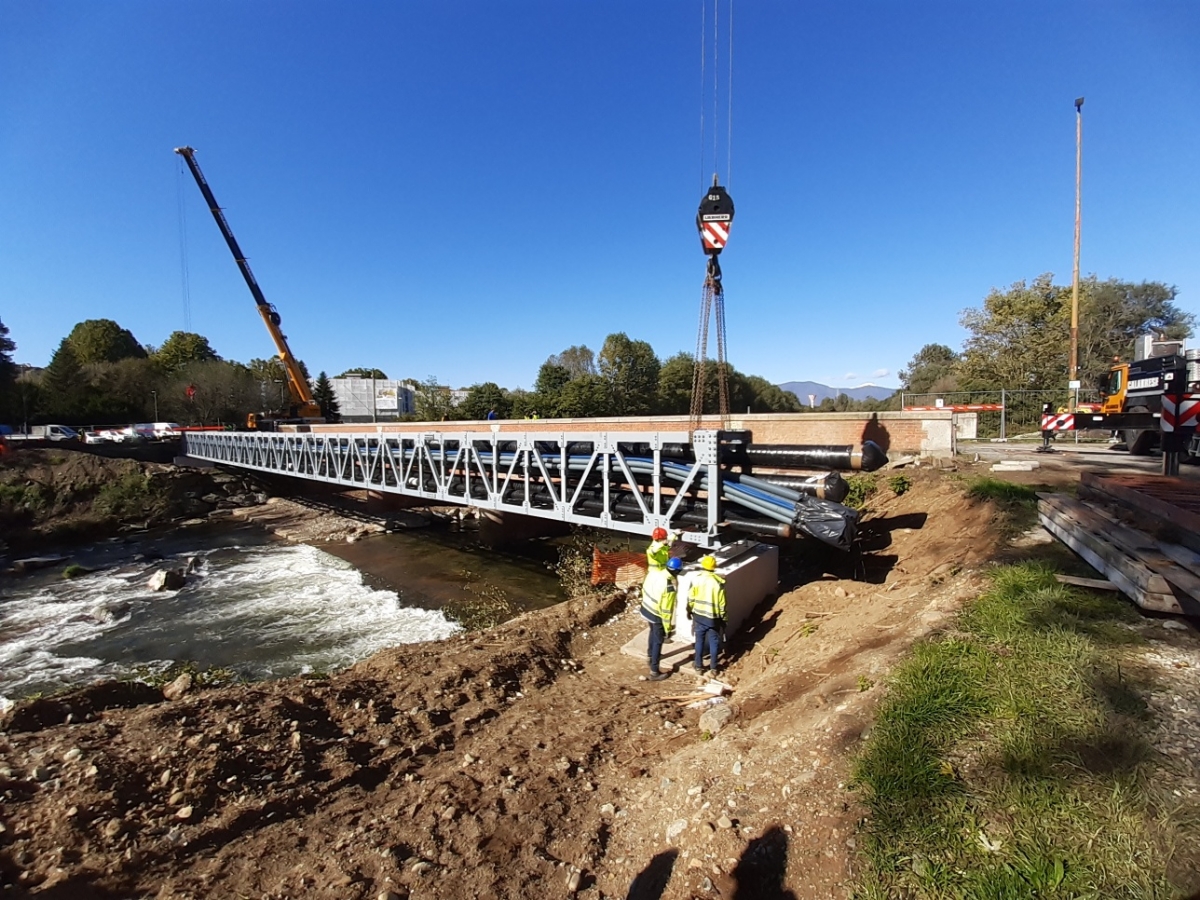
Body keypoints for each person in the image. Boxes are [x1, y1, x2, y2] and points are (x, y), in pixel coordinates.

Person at [641, 556, 681, 681]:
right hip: (656, 614)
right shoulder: (669, 588)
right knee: (658, 640)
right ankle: (654, 671)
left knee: (652, 632)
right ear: (677, 571)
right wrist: (667, 628)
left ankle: (650, 655)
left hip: (646, 608)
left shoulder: (654, 574)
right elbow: (666, 611)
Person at [687, 555, 726, 675]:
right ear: (714, 567)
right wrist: (724, 618)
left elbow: (691, 598)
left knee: (699, 641)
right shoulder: (718, 583)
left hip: (698, 616)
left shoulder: (696, 580)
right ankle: (713, 668)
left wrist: (689, 610)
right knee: (714, 642)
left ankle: (698, 666)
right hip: (713, 618)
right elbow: (722, 604)